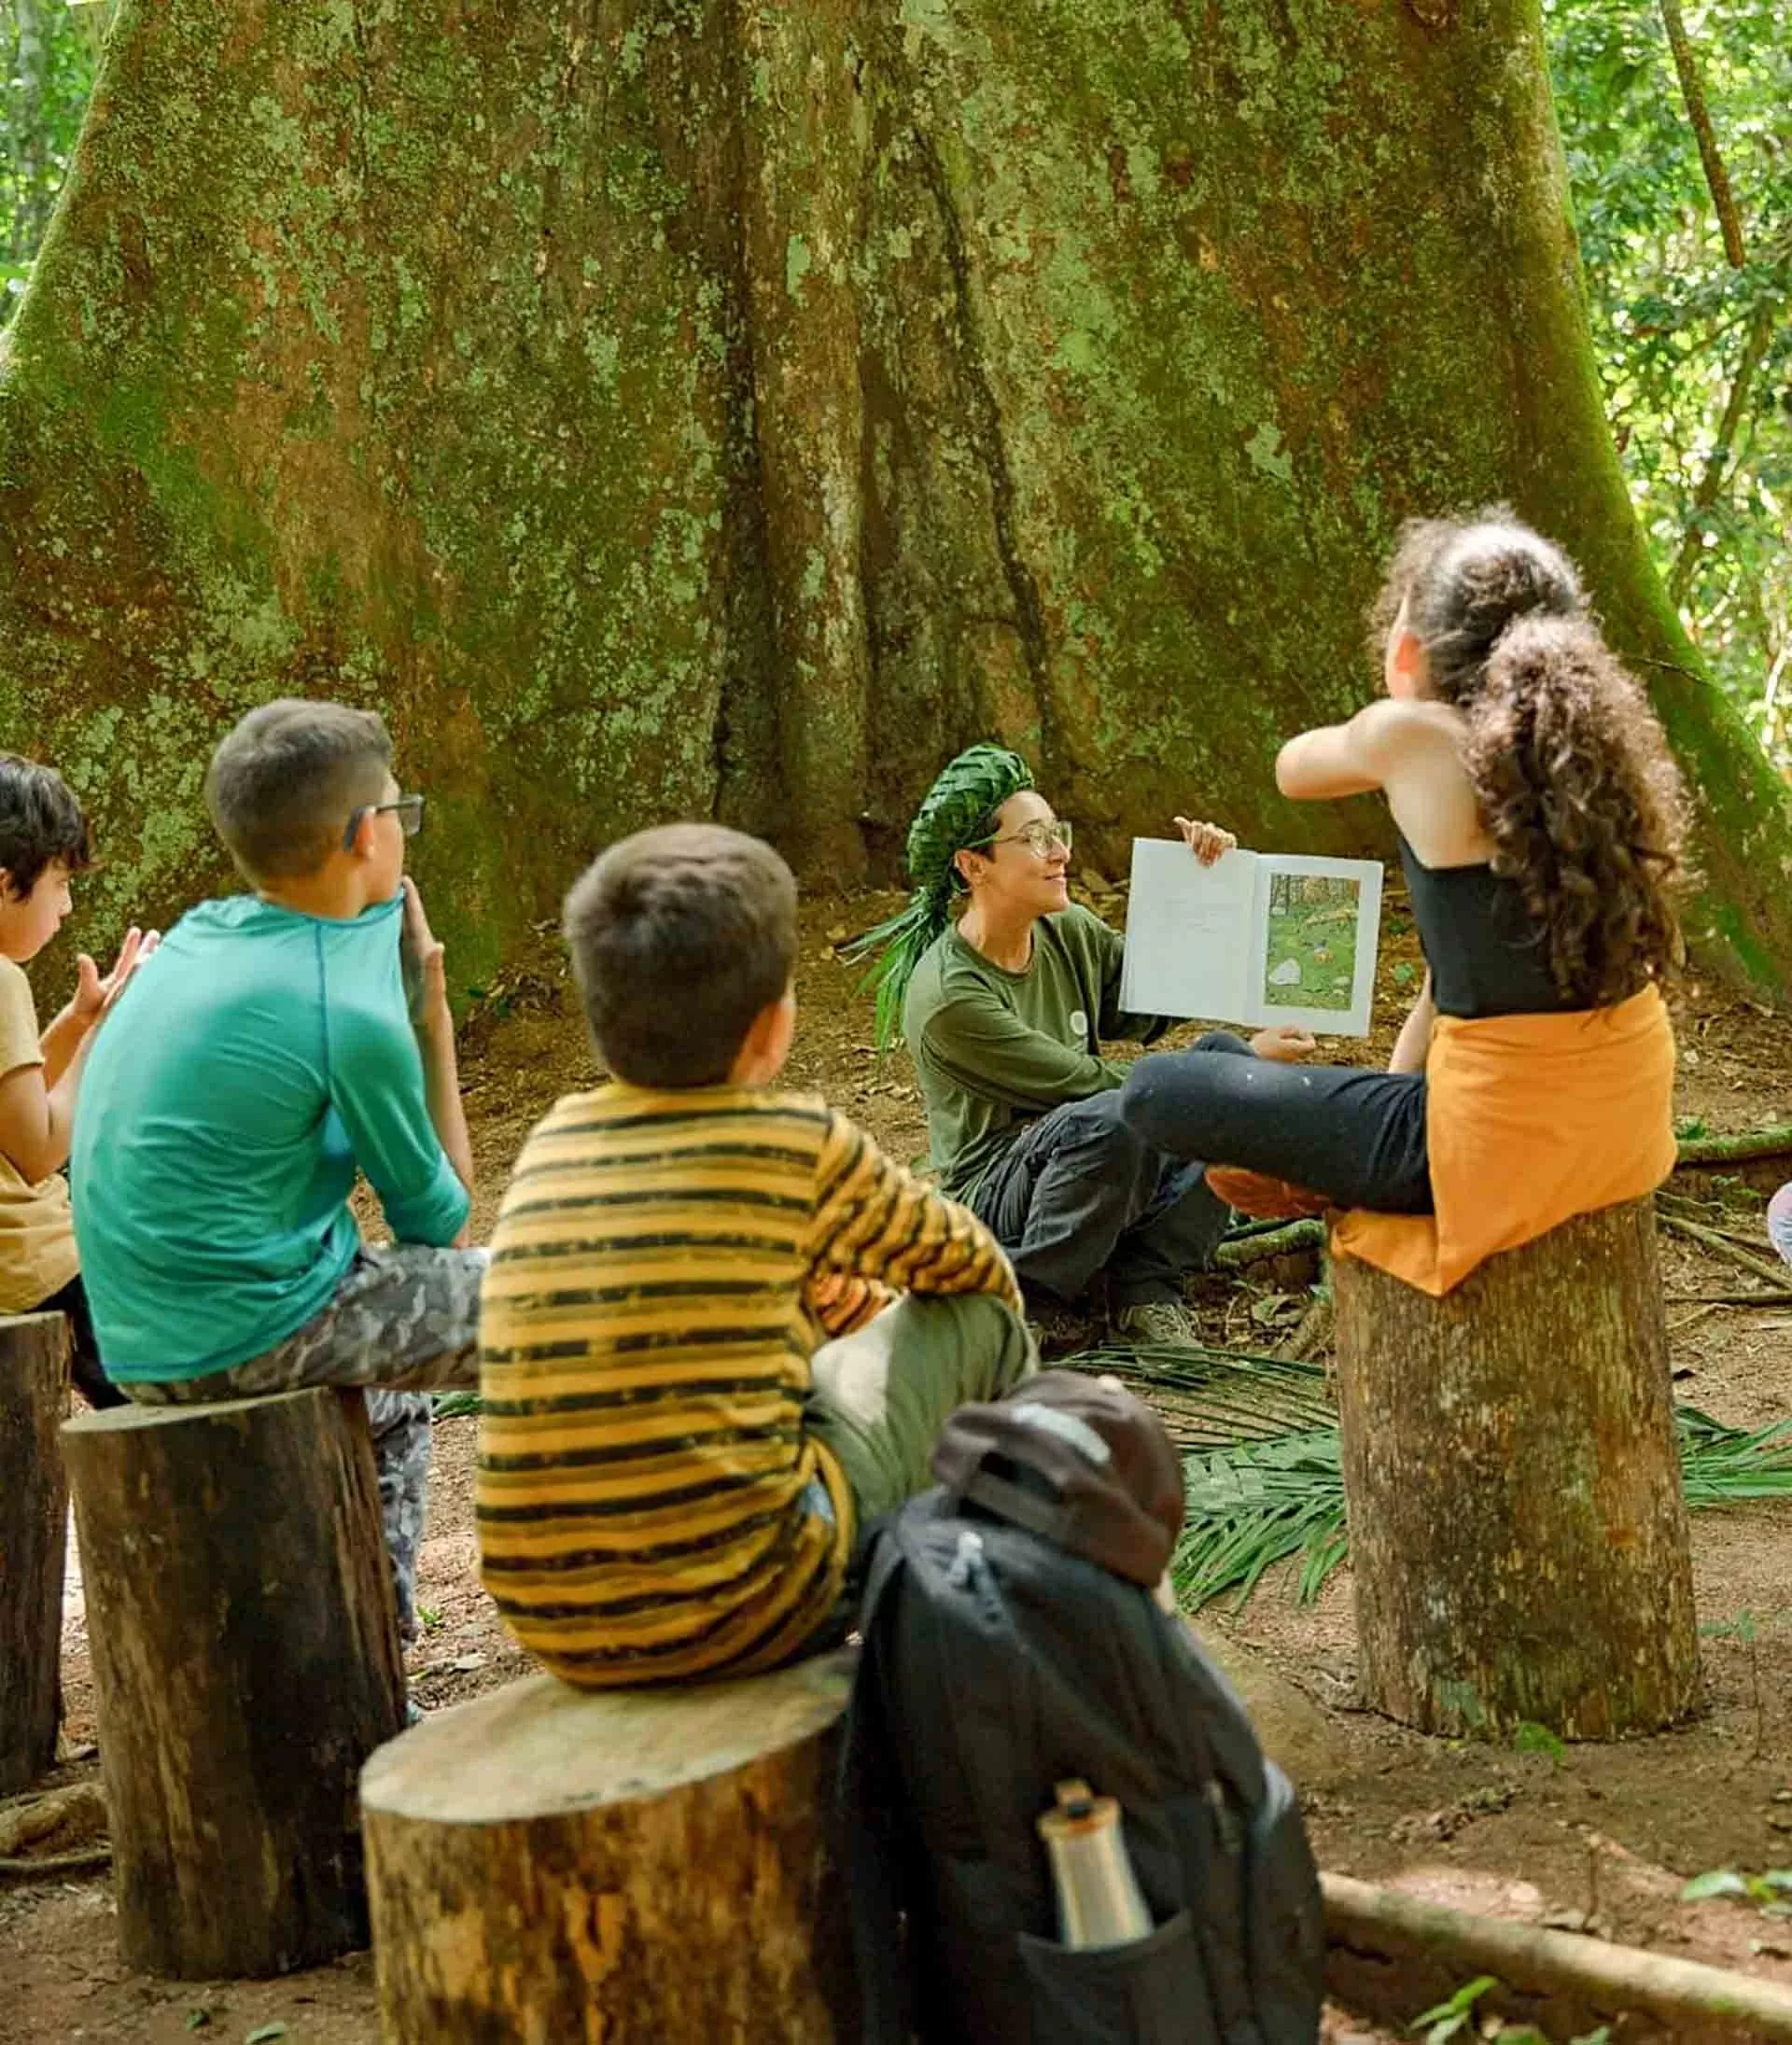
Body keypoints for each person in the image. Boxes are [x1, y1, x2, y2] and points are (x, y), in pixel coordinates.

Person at [476, 822, 1034, 1688]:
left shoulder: (552, 1144)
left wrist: (819, 1292)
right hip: (759, 1601)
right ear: (775, 1026)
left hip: (555, 1623)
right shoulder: (793, 1145)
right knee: (986, 1323)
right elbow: (974, 1272)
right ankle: (982, 1591)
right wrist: (849, 1302)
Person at [1120, 511, 1686, 1294]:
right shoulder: (1592, 770)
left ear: (1413, 647)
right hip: (1625, 1125)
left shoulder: (1414, 739)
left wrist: (1396, 710)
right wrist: (1386, 1099)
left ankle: (1337, 1176)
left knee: (1158, 1089)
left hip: (1497, 1147)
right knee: (1225, 1063)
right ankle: (1347, 1160)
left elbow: (1294, 769)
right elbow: (1446, 981)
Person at [71, 700, 485, 1646]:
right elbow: (442, 1232)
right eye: (398, 810)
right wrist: (433, 1023)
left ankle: (371, 1657)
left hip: (138, 1345)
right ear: (361, 837)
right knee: (558, 1304)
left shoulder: (200, 941)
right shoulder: (352, 1001)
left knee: (399, 1397)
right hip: (249, 1330)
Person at [847, 744, 1311, 1345]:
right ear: (973, 865)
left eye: (1056, 832)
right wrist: (1229, 1076)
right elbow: (1088, 1085)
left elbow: (1154, 1001)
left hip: (1096, 1164)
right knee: (1131, 1110)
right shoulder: (950, 997)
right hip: (1000, 1195)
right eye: (1034, 839)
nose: (1062, 852)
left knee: (1219, 1057)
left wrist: (1207, 885)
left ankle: (1146, 1287)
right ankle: (1030, 1300)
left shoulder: (1066, 929)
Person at [0, 755, 155, 1410]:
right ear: (7, 882)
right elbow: (36, 1150)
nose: (66, 906)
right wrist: (107, 1034)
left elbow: (10, 1111)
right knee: (171, 1405)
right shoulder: (2, 978)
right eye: (61, 881)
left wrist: (76, 1020)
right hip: (42, 1266)